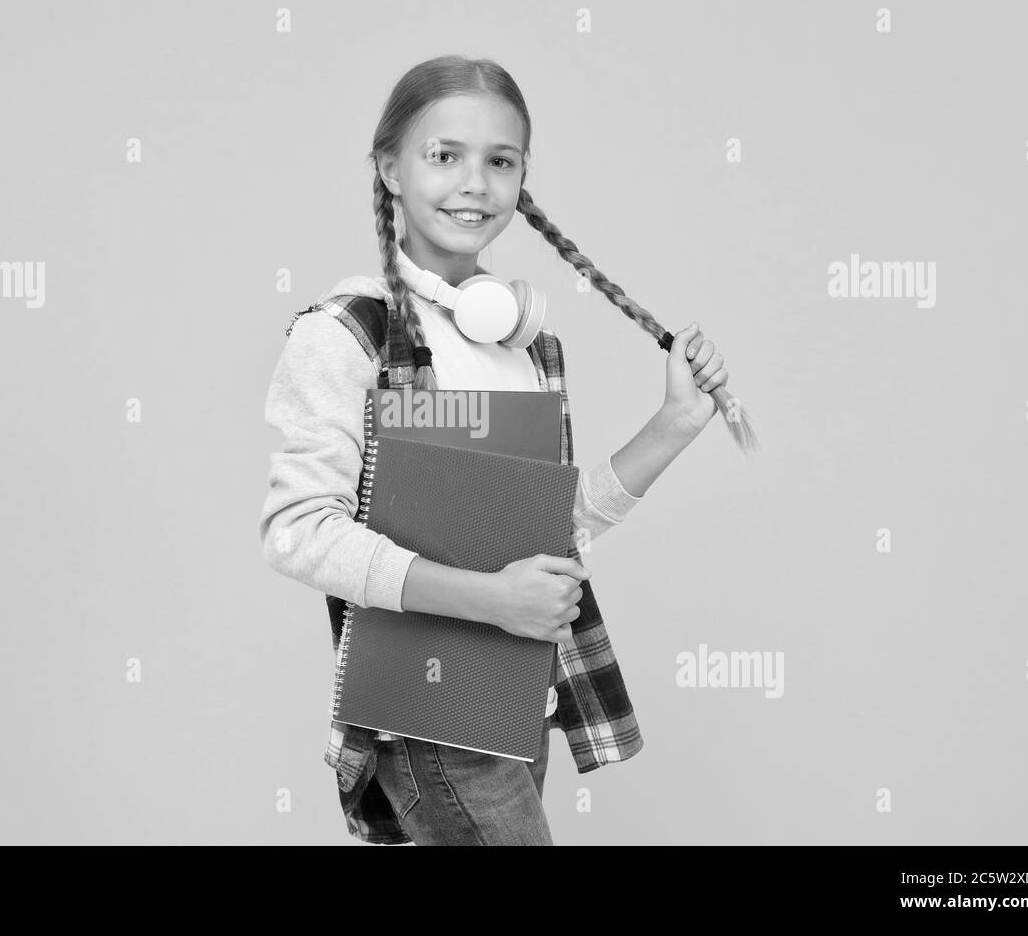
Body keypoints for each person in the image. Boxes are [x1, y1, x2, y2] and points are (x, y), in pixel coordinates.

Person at [259, 54, 730, 845]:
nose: (474, 183)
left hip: (518, 698)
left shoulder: (529, 347)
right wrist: (493, 599)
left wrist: (676, 422)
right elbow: (298, 532)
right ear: (389, 167)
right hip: (429, 713)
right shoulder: (346, 335)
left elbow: (551, 527)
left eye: (500, 161)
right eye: (444, 156)